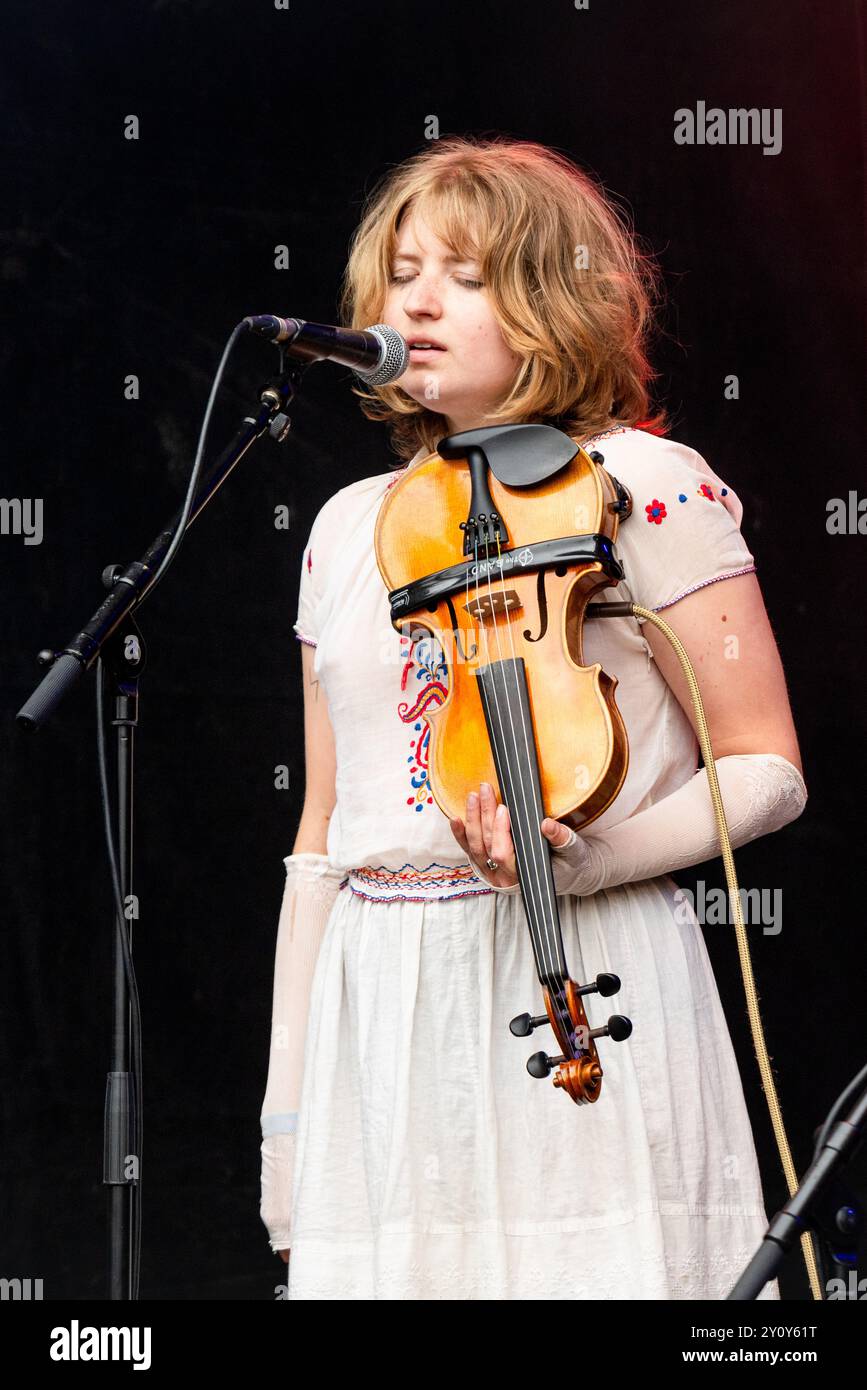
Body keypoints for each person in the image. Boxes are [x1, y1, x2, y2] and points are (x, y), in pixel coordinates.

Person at [259, 135, 807, 1300]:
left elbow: (766, 766)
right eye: (402, 270)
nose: (416, 299)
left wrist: (590, 861)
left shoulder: (643, 480)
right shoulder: (351, 525)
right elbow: (321, 837)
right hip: (387, 1011)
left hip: (593, 975)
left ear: (552, 296)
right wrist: (288, 1119)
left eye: (464, 274)